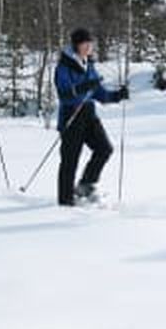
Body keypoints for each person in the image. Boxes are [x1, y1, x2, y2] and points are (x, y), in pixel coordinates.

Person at [55, 28, 129, 206]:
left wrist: (117, 96)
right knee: (70, 160)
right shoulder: (64, 66)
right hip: (71, 116)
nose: (89, 47)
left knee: (104, 149)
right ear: (76, 45)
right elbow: (65, 95)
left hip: (88, 114)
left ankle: (85, 185)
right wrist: (85, 86)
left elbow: (99, 94)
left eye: (91, 44)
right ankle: (65, 201)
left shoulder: (89, 64)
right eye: (85, 44)